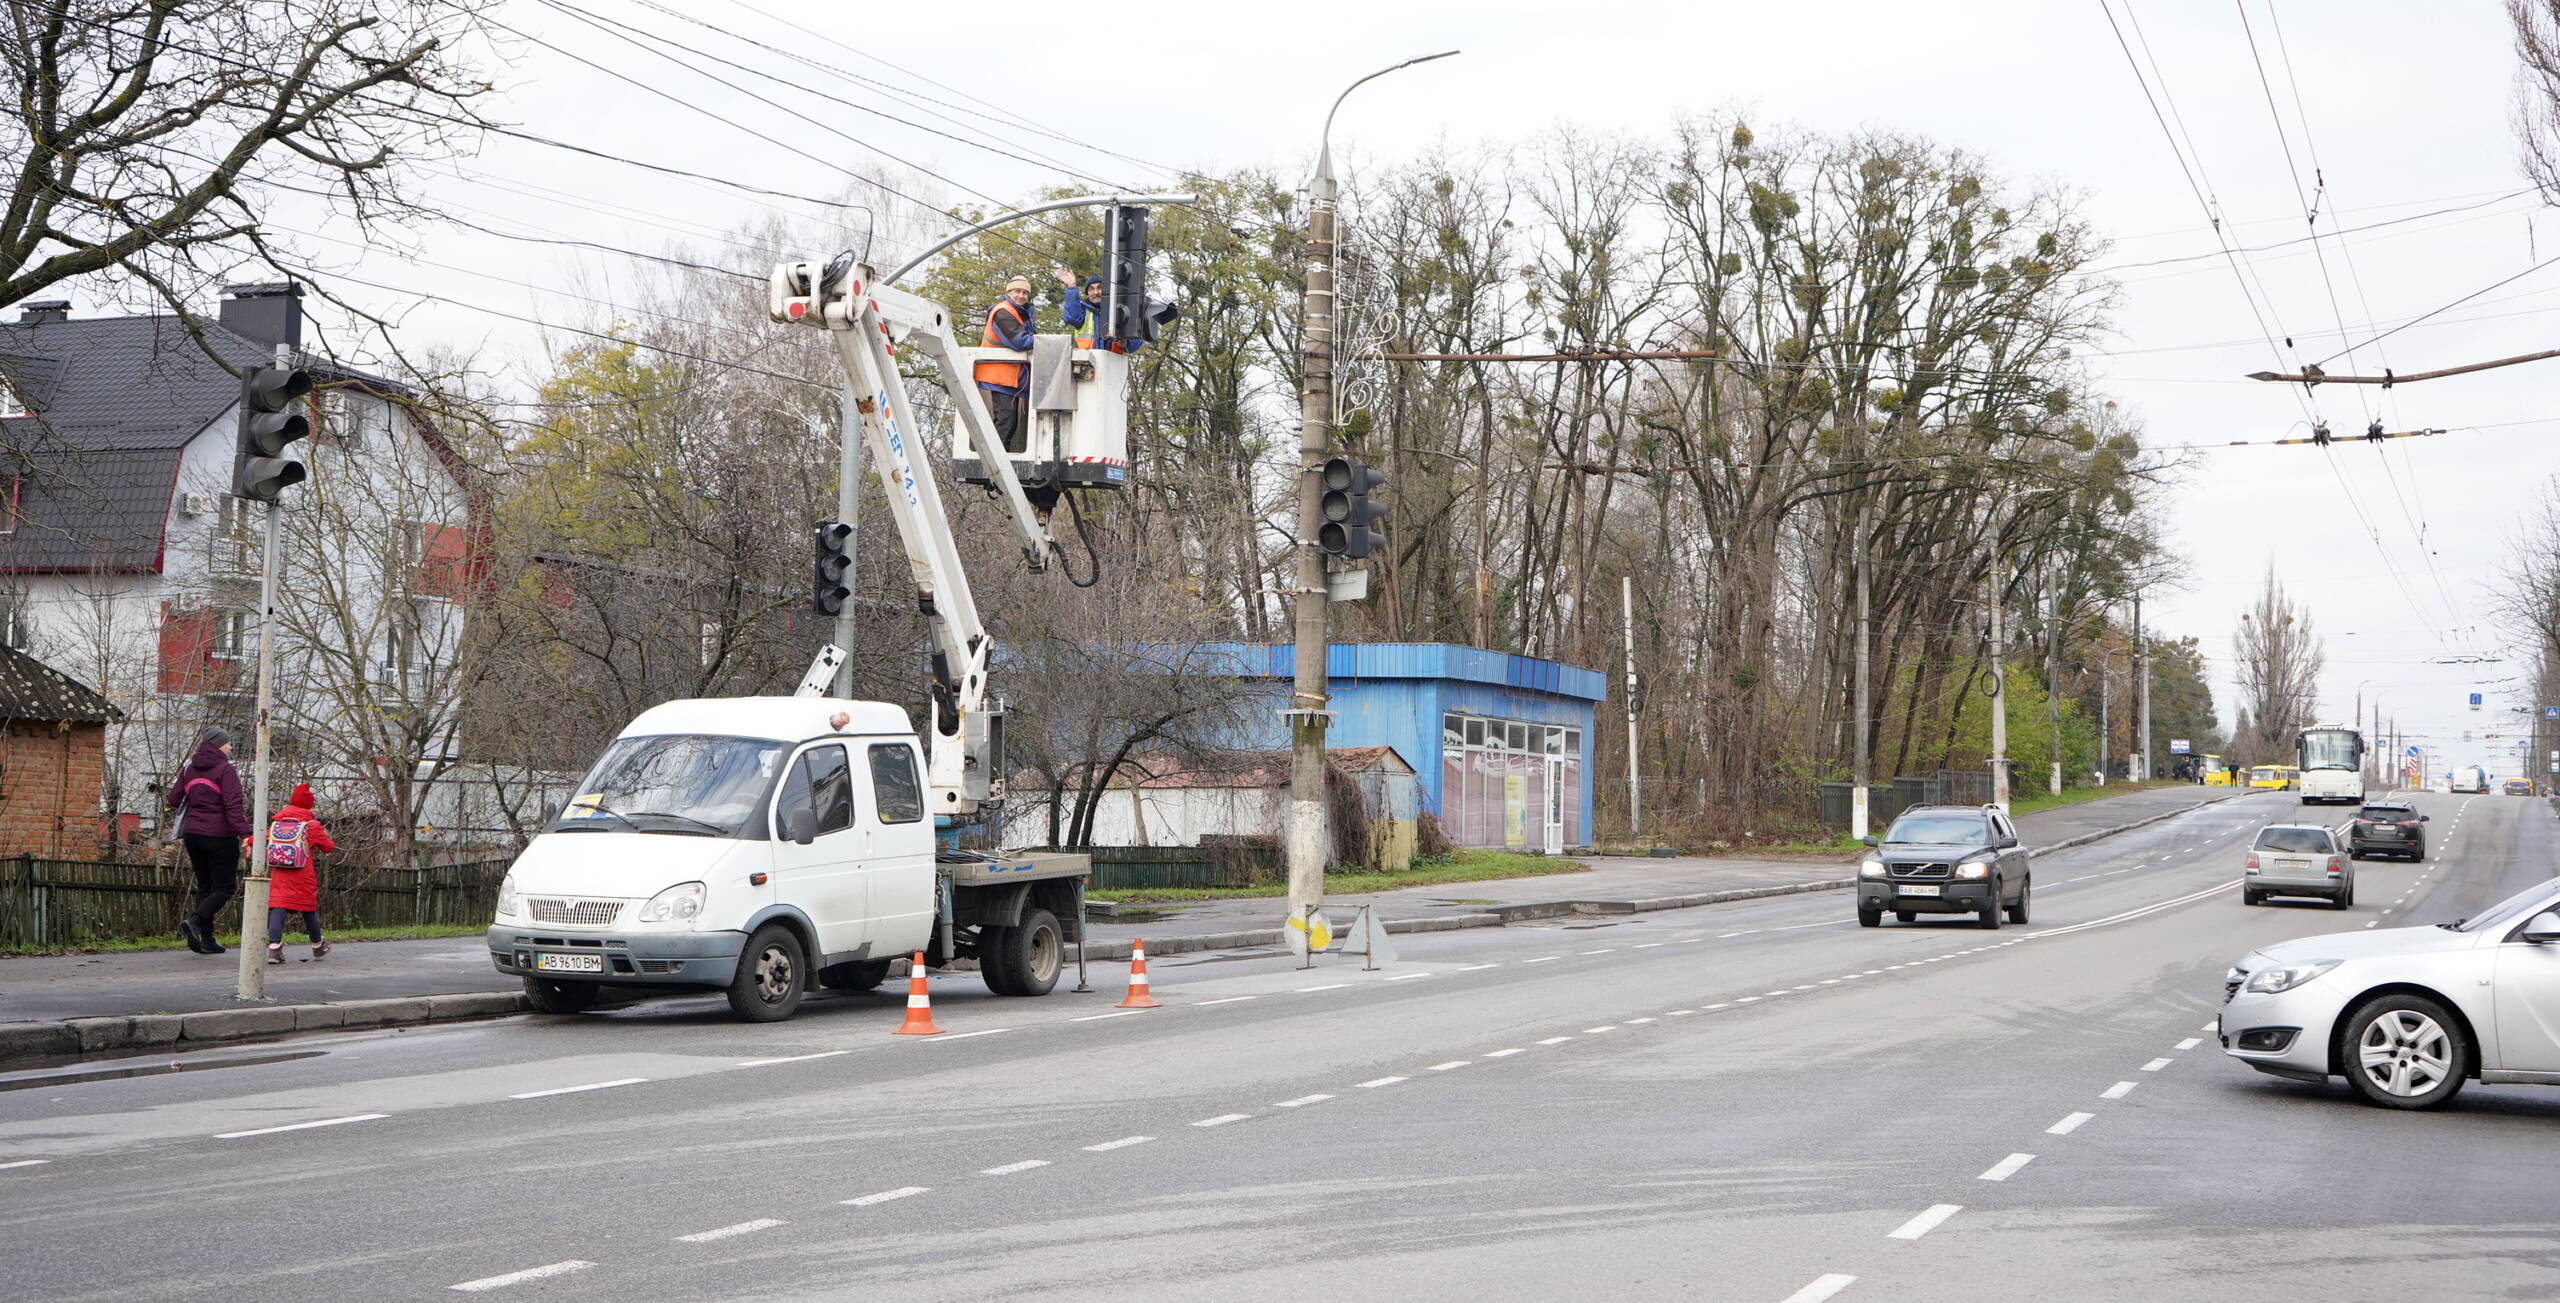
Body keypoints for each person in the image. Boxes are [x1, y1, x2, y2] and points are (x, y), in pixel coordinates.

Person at [166, 727, 249, 954]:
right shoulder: (225, 770)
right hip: (219, 836)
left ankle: (207, 940)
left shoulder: (189, 769)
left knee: (206, 886)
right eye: (228, 743)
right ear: (217, 744)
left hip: (193, 835)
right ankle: (195, 920)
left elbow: (173, 799)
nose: (231, 746)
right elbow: (233, 806)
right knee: (224, 887)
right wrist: (246, 833)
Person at [263, 783, 336, 964]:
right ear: (309, 804)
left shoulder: (277, 823)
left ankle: (274, 950)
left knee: (278, 907)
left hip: (279, 873)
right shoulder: (311, 825)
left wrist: (248, 842)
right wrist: (323, 835)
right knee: (308, 909)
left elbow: (261, 838)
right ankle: (317, 945)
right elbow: (328, 847)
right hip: (302, 874)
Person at [974, 276, 1036, 453]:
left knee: (1009, 422)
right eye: (1017, 291)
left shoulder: (1019, 313)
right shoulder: (1003, 312)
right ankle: (996, 469)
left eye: (1025, 292)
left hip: (1009, 377)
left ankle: (1000, 464)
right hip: (999, 375)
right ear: (1008, 292)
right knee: (1006, 422)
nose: (1021, 295)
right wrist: (1043, 341)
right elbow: (1020, 341)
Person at [1052, 267, 1146, 354]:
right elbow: (1071, 318)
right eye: (1091, 289)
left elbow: (1137, 341)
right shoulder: (1084, 311)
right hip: (1086, 366)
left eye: (1100, 288)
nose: (1095, 292)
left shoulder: (1121, 311)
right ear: (1087, 293)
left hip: (1113, 366)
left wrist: (1125, 342)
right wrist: (1071, 287)